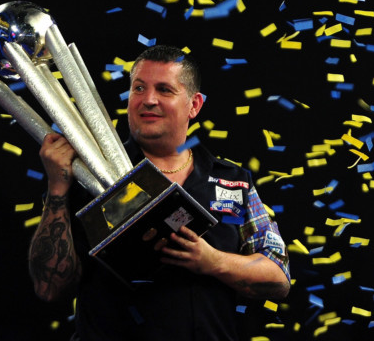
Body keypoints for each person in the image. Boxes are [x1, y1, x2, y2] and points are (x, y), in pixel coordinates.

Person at [28, 45, 291, 340]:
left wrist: (213, 261)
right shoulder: (86, 175)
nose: (148, 100)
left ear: (194, 105)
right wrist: (57, 188)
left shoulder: (233, 180)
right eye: (139, 88)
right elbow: (48, 288)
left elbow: (279, 277)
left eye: (164, 90)